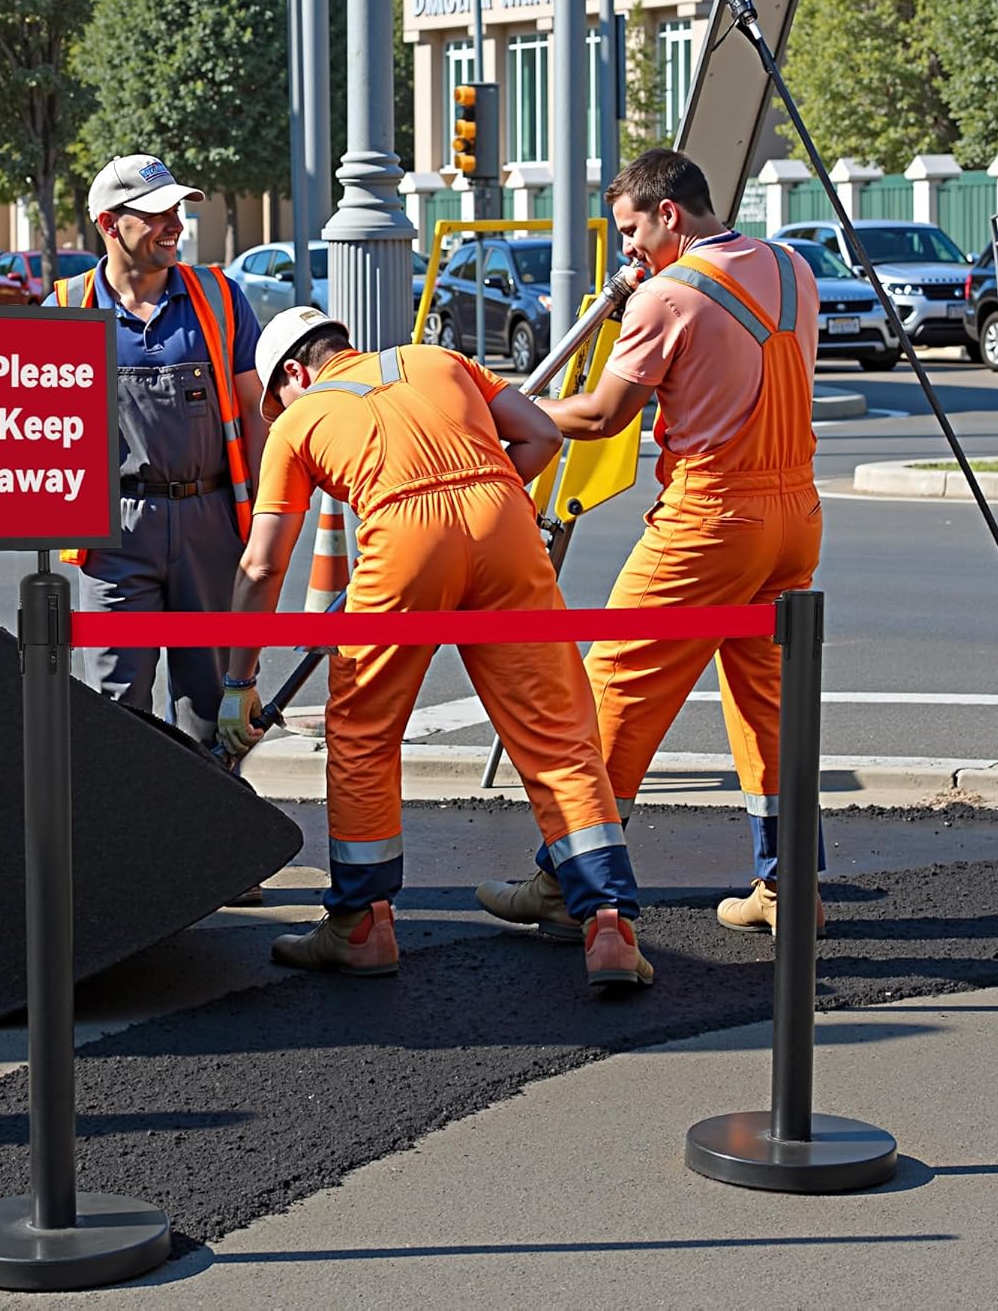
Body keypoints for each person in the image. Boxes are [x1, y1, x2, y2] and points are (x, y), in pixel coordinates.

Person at [215, 306, 652, 989]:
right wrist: (482, 495)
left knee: (363, 731)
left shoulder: (298, 423)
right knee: (557, 731)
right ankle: (608, 924)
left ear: (293, 373)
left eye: (278, 400)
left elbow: (263, 564)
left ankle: (361, 927)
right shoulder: (437, 359)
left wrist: (238, 683)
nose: (280, 413)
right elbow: (542, 435)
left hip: (402, 541)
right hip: (503, 523)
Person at [508, 147, 824, 935]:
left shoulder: (668, 297)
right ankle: (789, 891)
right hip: (794, 515)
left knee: (616, 686)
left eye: (630, 231)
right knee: (771, 703)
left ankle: (568, 883)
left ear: (669, 215)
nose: (628, 249)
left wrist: (507, 412)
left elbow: (603, 414)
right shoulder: (793, 269)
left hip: (710, 521)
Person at [45, 154, 267, 752]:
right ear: (108, 224)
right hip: (113, 535)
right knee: (115, 709)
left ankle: (210, 813)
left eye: (176, 210)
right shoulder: (64, 309)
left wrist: (264, 517)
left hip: (210, 525)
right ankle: (124, 816)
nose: (174, 224)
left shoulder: (219, 298)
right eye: (155, 214)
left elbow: (254, 410)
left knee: (210, 709)